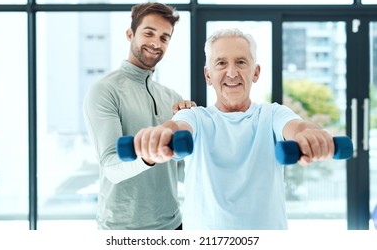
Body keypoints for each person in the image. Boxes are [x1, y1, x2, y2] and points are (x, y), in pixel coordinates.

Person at [132, 28, 336, 230]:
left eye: (241, 62)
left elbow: (297, 127)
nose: (231, 73)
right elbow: (176, 127)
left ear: (255, 72)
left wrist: (310, 135)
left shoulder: (272, 114)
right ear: (208, 75)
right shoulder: (195, 116)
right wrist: (161, 134)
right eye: (221, 63)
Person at [83, 2, 195, 230]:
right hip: (121, 229)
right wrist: (149, 155)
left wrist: (193, 126)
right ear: (130, 34)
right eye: (149, 33)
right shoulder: (104, 91)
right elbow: (112, 167)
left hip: (172, 225)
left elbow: (182, 170)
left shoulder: (172, 97)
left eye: (165, 38)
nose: (156, 43)